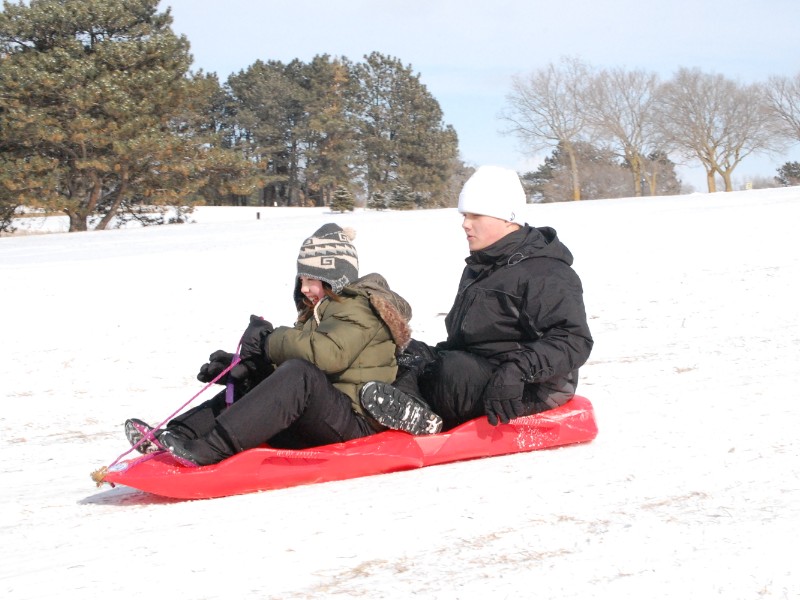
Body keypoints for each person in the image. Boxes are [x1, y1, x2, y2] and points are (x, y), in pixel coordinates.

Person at [124, 222, 434, 466]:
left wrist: (270, 341)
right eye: (302, 279)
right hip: (324, 414)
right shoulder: (321, 311)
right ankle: (178, 434)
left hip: (355, 419)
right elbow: (295, 364)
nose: (304, 287)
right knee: (259, 380)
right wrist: (244, 366)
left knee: (300, 374)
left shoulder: (360, 308)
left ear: (335, 277)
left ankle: (208, 449)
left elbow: (327, 356)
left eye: (311, 279)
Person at [360, 165, 594, 432]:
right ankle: (409, 408)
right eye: (464, 215)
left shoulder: (546, 272)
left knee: (451, 370)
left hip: (527, 386)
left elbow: (574, 340)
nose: (465, 224)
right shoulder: (481, 266)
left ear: (508, 218)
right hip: (478, 368)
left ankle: (416, 408)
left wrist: (517, 371)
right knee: (404, 351)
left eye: (475, 215)